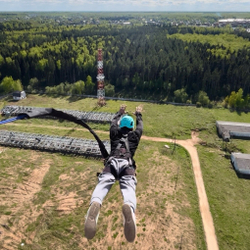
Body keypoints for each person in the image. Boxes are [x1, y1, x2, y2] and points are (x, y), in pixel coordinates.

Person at [84, 104, 143, 242]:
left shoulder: (114, 132)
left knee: (103, 183)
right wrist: (138, 114)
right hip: (127, 165)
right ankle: (129, 206)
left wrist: (119, 112)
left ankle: (96, 203)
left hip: (111, 163)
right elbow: (140, 126)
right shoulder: (135, 136)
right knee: (129, 187)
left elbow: (113, 122)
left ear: (120, 124)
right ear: (131, 126)